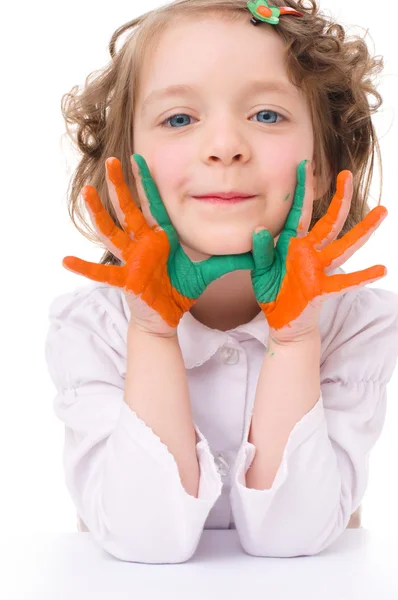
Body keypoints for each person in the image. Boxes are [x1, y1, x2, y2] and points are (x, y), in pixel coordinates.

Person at [44, 0, 398, 564]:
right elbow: (145, 543)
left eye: (266, 114)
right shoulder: (93, 328)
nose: (225, 146)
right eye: (180, 119)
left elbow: (293, 540)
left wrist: (296, 338)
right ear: (124, 168)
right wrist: (154, 333)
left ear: (327, 161)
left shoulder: (358, 324)